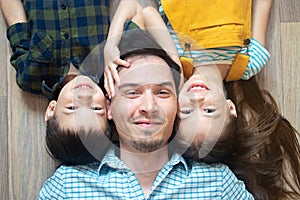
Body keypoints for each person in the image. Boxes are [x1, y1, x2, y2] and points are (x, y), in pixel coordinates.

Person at [38, 29, 254, 199]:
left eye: (162, 93)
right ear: (108, 107)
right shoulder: (67, 186)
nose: (149, 106)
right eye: (132, 93)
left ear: (178, 109)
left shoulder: (217, 183)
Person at [0, 0, 110, 100]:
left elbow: (15, 19)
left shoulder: (32, 76)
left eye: (72, 108)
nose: (81, 99)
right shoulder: (108, 69)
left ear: (51, 110)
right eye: (95, 108)